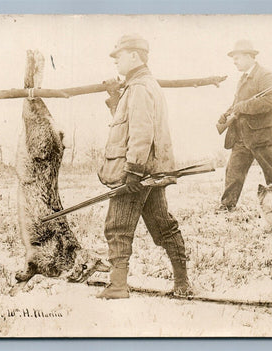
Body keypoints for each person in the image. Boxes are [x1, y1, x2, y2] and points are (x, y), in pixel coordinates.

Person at [97, 34, 192, 299]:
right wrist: (115, 96)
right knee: (164, 226)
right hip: (153, 171)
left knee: (117, 227)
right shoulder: (142, 85)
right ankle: (182, 283)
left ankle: (117, 286)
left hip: (139, 172)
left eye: (119, 55)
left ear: (135, 56)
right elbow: (128, 123)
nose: (115, 60)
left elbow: (141, 131)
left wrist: (133, 171)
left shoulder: (139, 87)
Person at [216, 40, 272, 212]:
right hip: (242, 136)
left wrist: (241, 106)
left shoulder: (266, 76)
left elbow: (270, 101)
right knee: (233, 173)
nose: (234, 61)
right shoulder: (243, 78)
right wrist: (226, 114)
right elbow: (238, 103)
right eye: (233, 58)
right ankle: (226, 207)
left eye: (237, 57)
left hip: (263, 135)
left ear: (250, 56)